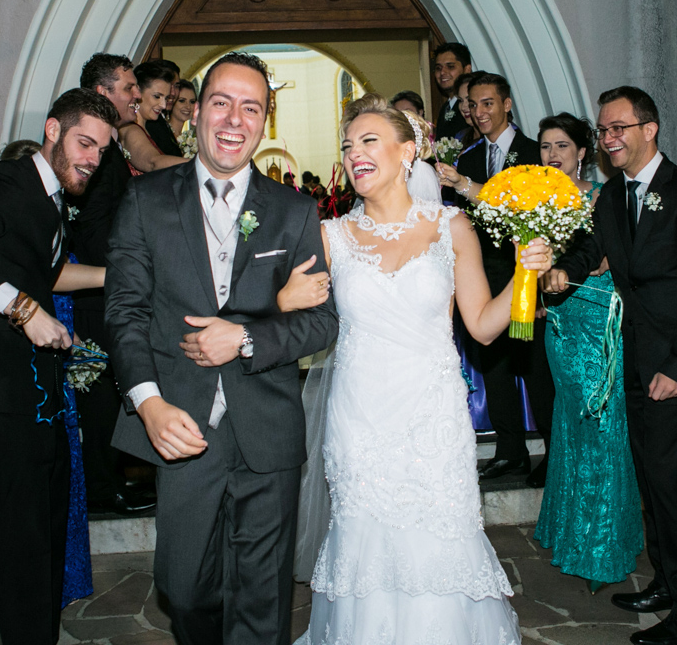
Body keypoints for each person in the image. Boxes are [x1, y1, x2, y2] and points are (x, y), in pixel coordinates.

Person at [292, 93, 552, 644]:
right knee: (364, 534)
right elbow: (286, 314)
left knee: (439, 534)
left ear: (407, 151)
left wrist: (524, 272)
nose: (355, 153)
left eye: (369, 140)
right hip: (360, 417)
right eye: (347, 145)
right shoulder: (330, 236)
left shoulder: (451, 226)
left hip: (432, 417)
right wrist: (285, 298)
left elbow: (483, 326)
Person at [106, 52, 340, 645]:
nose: (235, 119)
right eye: (221, 102)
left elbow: (322, 323)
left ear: (264, 121)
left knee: (263, 600)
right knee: (184, 589)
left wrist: (245, 337)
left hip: (267, 427)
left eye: (251, 108)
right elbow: (125, 313)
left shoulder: (292, 210)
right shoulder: (146, 199)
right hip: (182, 424)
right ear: (196, 112)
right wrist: (148, 404)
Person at [0, 88, 120, 645]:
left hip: (36, 389)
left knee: (48, 524)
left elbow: (49, 273)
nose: (92, 158)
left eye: (101, 150)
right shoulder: (10, 181)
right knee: (25, 535)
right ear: (52, 130)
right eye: (84, 143)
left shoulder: (51, 196)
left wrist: (118, 277)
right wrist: (24, 310)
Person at [543, 86, 677, 645]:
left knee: (672, 487)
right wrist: (564, 272)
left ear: (650, 129)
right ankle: (668, 584)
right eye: (603, 130)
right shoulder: (613, 197)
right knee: (651, 481)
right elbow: (591, 249)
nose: (609, 138)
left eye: (619, 127)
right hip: (631, 362)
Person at [532, 113, 642, 595]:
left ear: (582, 152)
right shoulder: (533, 204)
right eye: (545, 146)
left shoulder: (603, 198)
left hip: (597, 320)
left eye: (562, 145)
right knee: (570, 427)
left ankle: (603, 547)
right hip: (560, 323)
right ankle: (571, 535)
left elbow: (615, 254)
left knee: (602, 426)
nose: (552, 154)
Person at [437, 72, 555, 487]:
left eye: (487, 103)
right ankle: (510, 451)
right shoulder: (468, 158)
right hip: (483, 281)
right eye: (473, 105)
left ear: (507, 104)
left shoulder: (534, 154)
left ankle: (555, 452)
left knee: (536, 370)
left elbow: (532, 213)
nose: (479, 112)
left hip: (524, 281)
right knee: (495, 369)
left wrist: (540, 289)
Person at [65, 53, 155, 517]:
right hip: (95, 294)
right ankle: (102, 488)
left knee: (109, 388)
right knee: (99, 392)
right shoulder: (96, 155)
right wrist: (127, 272)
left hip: (105, 287)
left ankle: (110, 479)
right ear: (102, 93)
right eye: (128, 88)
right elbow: (94, 226)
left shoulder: (114, 145)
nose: (136, 95)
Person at [120, 61, 189, 174]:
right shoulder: (131, 129)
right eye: (157, 96)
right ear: (138, 92)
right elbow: (153, 163)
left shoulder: (149, 129)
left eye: (165, 98)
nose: (163, 105)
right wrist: (199, 165)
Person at [144, 58, 186, 157]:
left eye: (176, 86)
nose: (173, 93)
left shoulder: (161, 119)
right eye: (169, 86)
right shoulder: (150, 122)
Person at [431, 41, 473, 140]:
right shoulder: (445, 108)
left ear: (467, 69)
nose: (442, 72)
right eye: (438, 68)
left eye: (450, 67)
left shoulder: (471, 105)